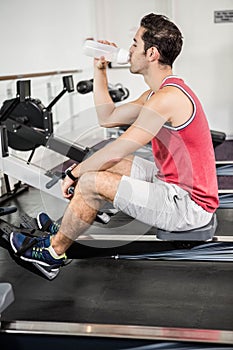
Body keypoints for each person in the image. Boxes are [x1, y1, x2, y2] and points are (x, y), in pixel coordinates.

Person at [10, 13, 219, 268]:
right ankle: (66, 227)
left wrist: (75, 174)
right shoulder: (158, 93)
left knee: (90, 181)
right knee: (101, 164)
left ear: (151, 53)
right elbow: (107, 117)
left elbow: (119, 147)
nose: (129, 50)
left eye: (134, 43)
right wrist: (101, 70)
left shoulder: (167, 98)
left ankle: (52, 255)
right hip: (169, 182)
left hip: (188, 205)